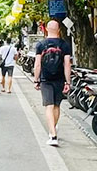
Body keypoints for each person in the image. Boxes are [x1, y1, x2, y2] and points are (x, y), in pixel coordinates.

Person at [34, 19, 73, 147]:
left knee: (48, 106)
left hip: (45, 79)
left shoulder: (40, 44)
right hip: (59, 79)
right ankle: (53, 131)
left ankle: (53, 135)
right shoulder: (64, 44)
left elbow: (38, 64)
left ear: (46, 29)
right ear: (59, 30)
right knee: (56, 106)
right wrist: (68, 82)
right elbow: (67, 64)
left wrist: (36, 79)